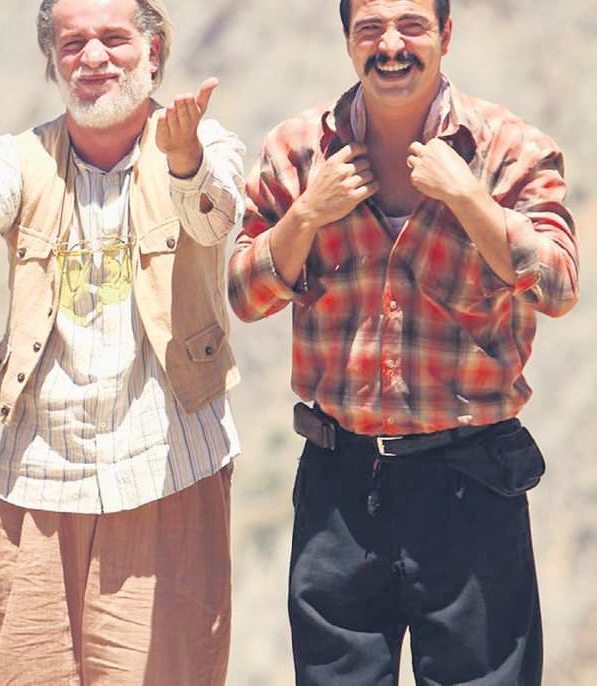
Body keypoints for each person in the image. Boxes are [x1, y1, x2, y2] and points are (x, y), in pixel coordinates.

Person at [228, 0, 579, 683]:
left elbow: (559, 286)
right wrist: (307, 215)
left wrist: (469, 200)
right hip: (338, 484)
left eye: (412, 26)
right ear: (348, 41)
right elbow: (244, 296)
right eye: (370, 29)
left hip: (471, 480)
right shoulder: (298, 153)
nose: (391, 45)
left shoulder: (510, 150)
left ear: (445, 34)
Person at [0, 0, 244, 681]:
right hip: (40, 474)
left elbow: (213, 217)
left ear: (153, 54)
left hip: (166, 467)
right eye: (72, 44)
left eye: (113, 39)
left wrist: (184, 160)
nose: (93, 58)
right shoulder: (21, 156)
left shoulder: (204, 143)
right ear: (53, 61)